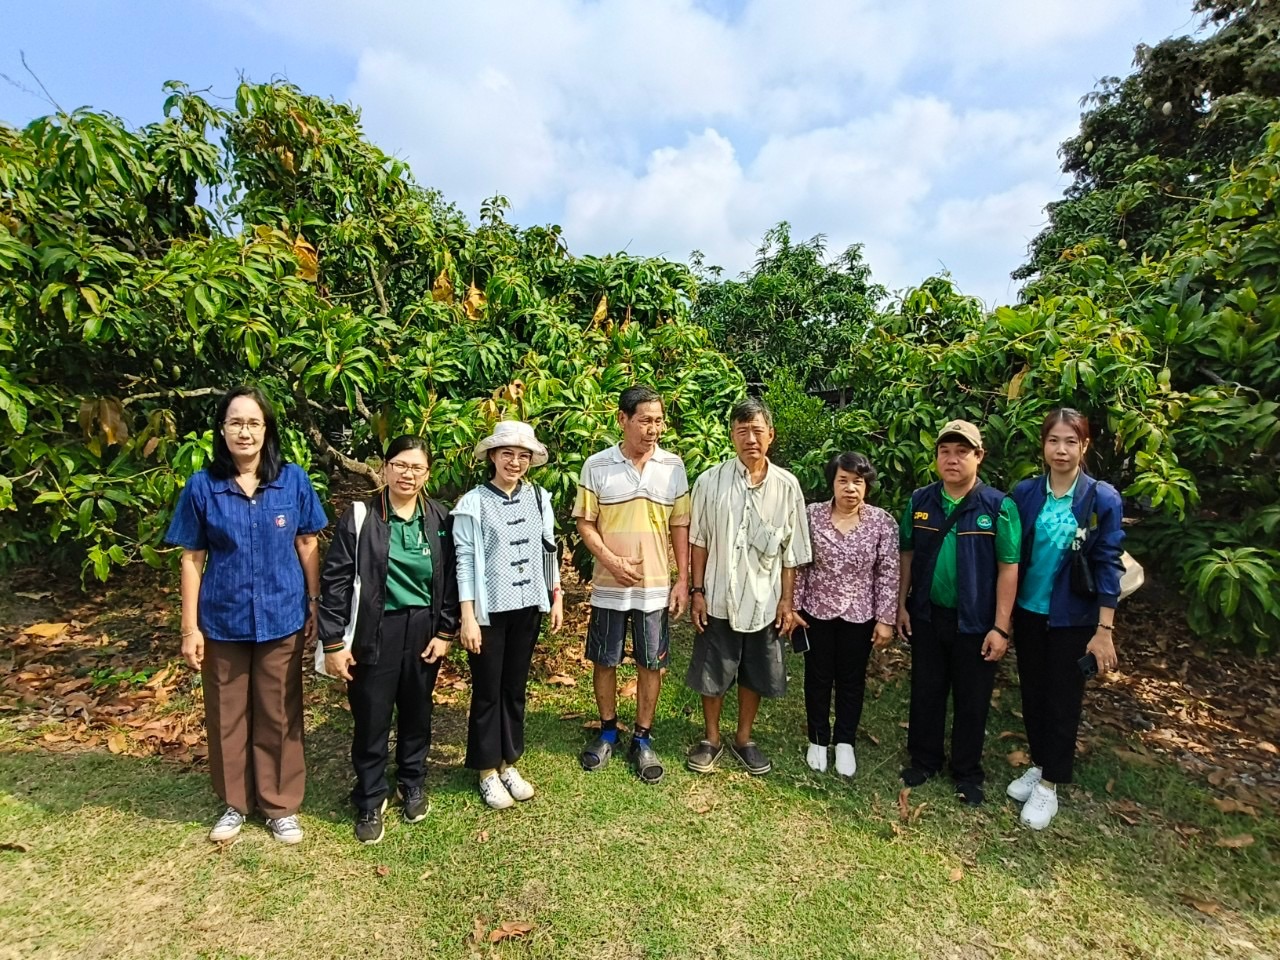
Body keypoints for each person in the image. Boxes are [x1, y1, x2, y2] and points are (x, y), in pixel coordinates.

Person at [164, 385, 327, 844]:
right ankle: (236, 802)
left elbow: (308, 543)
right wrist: (190, 626)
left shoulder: (291, 480)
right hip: (223, 620)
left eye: (254, 423)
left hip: (282, 616)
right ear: (222, 430)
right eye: (236, 422)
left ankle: (279, 805)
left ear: (267, 430)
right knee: (227, 714)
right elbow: (192, 558)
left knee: (278, 711)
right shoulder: (203, 486)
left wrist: (314, 603)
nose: (245, 431)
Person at [316, 436, 460, 844]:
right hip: (374, 628)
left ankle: (412, 780)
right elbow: (336, 581)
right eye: (399, 465)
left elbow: (449, 578)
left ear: (427, 474)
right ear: (384, 468)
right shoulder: (361, 516)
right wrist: (332, 642)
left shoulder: (438, 518)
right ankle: (369, 793)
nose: (407, 474)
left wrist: (445, 631)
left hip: (422, 630)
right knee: (372, 715)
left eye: (416, 467)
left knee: (417, 711)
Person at [1007, 409, 1124, 830]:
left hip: (1072, 618)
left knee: (1062, 700)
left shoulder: (1100, 498)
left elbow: (1109, 564)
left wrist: (1103, 631)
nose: (1061, 450)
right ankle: (1040, 764)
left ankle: (1050, 785)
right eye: (1054, 440)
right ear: (1043, 445)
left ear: (1084, 446)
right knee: (1034, 695)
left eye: (1070, 442)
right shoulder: (1026, 493)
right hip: (1029, 612)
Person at [896, 419, 1021, 806]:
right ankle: (924, 759)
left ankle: (967, 772)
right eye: (944, 451)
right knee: (927, 690)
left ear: (978, 457)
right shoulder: (921, 501)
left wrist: (1001, 627)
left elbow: (1009, 567)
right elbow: (907, 555)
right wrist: (901, 605)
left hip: (977, 621)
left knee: (972, 697)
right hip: (929, 615)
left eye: (962, 451)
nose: (952, 459)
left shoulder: (999, 507)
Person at [686, 398, 812, 776]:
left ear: (771, 436)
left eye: (757, 431)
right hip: (719, 595)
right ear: (731, 436)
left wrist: (787, 603)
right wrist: (697, 592)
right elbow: (699, 541)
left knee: (755, 672)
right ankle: (711, 738)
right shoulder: (710, 480)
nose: (750, 439)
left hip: (765, 599)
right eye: (742, 431)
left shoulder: (787, 485)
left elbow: (792, 552)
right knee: (714, 670)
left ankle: (744, 738)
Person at [574, 386, 690, 783]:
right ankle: (607, 730)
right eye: (644, 420)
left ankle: (642, 737)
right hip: (609, 584)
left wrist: (683, 580)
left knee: (650, 662)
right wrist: (611, 560)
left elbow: (680, 525)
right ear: (622, 419)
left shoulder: (674, 466)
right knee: (605, 659)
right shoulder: (597, 465)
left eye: (658, 421)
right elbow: (585, 523)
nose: (652, 429)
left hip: (655, 587)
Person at [453, 421, 564, 809]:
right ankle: (486, 770)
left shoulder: (539, 498)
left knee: (514, 688)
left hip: (528, 606)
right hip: (489, 612)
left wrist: (556, 595)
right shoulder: (474, 502)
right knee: (487, 690)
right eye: (507, 454)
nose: (514, 462)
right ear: (492, 457)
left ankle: (508, 762)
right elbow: (464, 561)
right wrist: (467, 615)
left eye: (522, 456)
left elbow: (548, 549)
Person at [791, 452, 898, 777]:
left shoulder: (882, 522)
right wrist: (793, 606)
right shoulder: (812, 516)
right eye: (843, 480)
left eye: (857, 481)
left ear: (866, 485)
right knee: (818, 677)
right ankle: (818, 739)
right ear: (832, 483)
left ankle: (845, 742)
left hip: (860, 613)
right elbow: (799, 564)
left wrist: (885, 618)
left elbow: (888, 573)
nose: (850, 488)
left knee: (851, 680)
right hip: (816, 611)